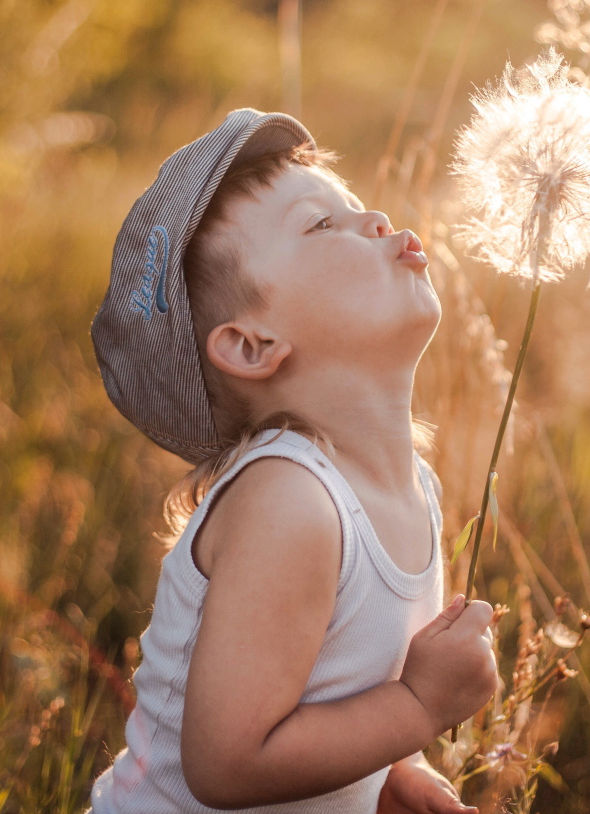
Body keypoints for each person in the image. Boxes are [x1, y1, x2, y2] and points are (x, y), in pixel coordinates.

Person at [87, 108, 498, 814]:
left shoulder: (412, 486)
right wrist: (420, 707)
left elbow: (335, 686)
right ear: (252, 344)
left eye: (349, 205)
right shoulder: (289, 503)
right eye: (319, 224)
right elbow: (227, 763)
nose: (372, 216)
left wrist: (392, 767)